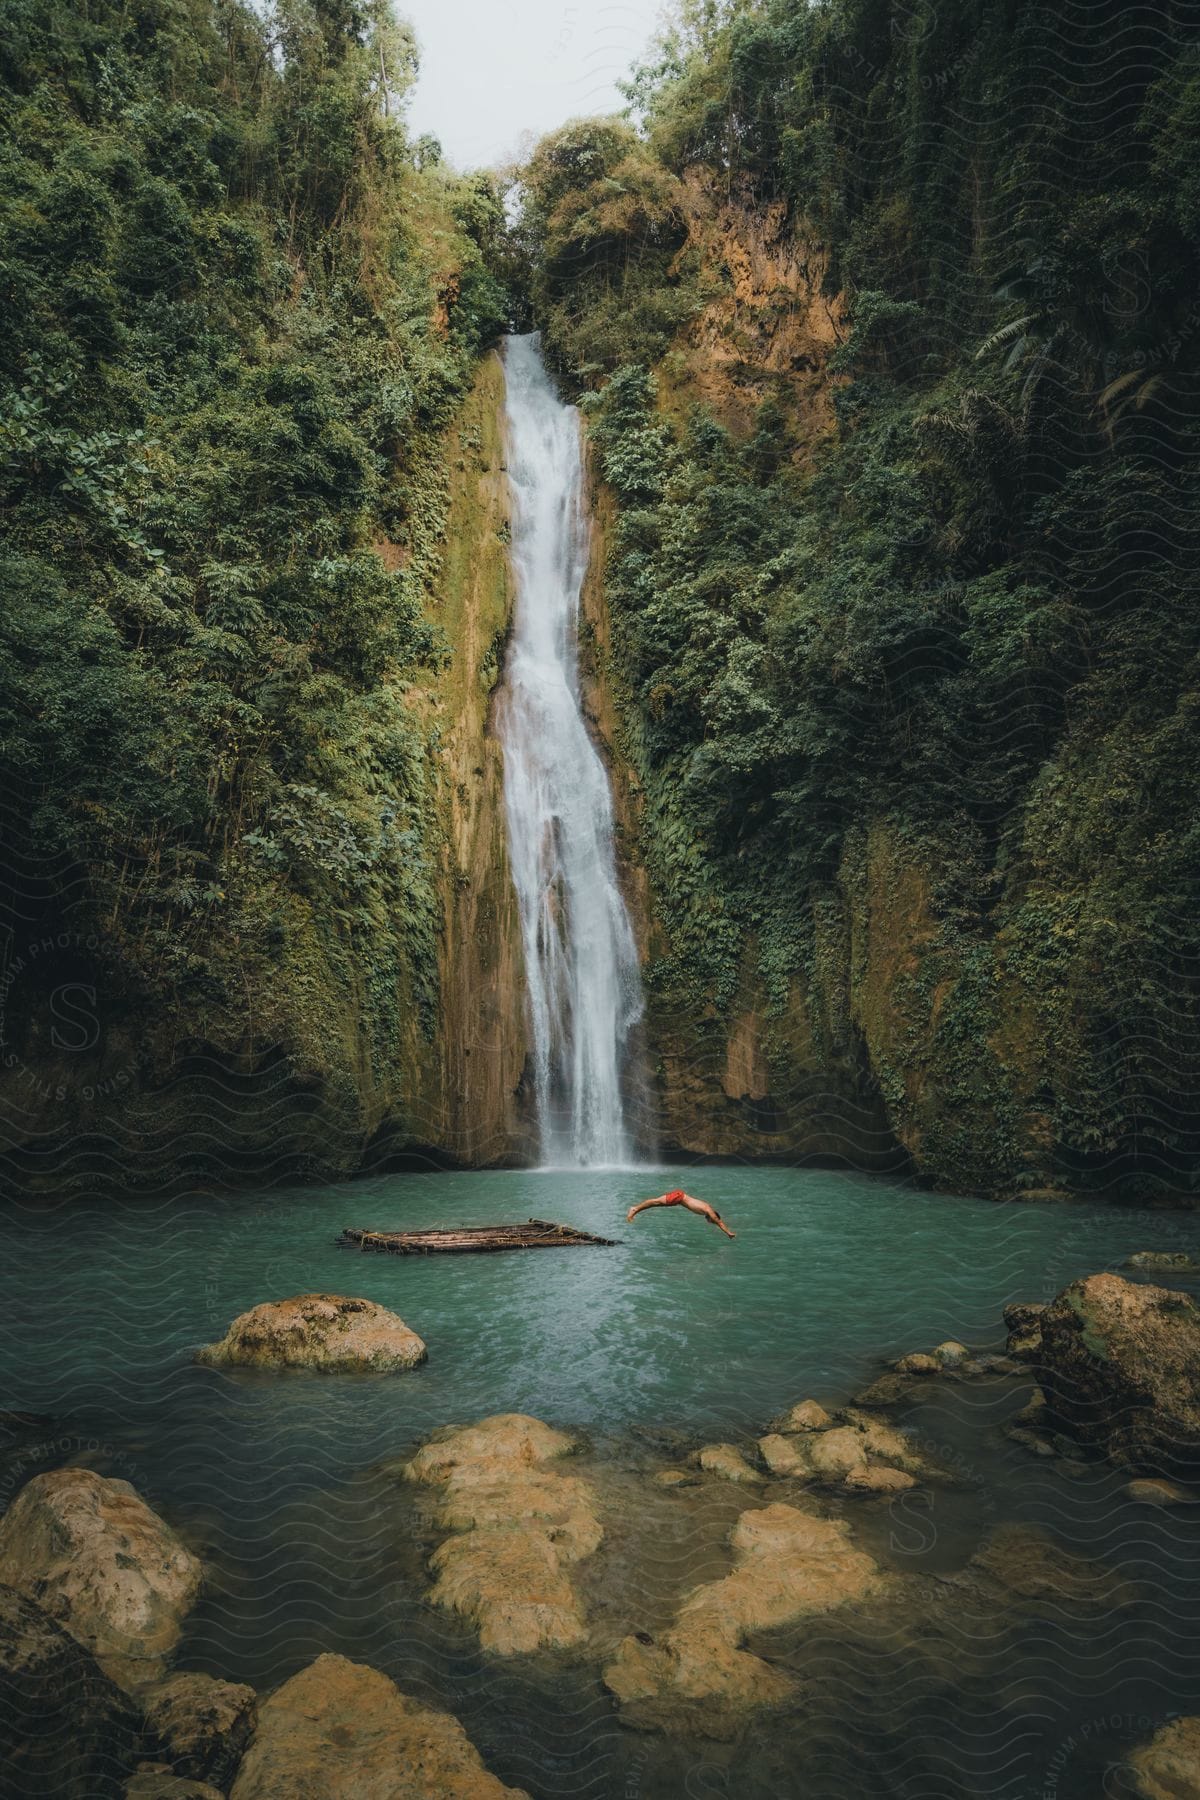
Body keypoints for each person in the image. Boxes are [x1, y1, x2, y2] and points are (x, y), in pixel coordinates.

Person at [626, 1188, 735, 1239]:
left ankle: (634, 1211)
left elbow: (716, 1221)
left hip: (678, 1200)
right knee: (656, 1202)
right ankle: (634, 1209)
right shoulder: (710, 1211)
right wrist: (728, 1233)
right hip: (679, 1197)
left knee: (655, 1204)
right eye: (711, 1221)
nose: (709, 1222)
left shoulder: (707, 1209)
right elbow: (719, 1222)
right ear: (714, 1216)